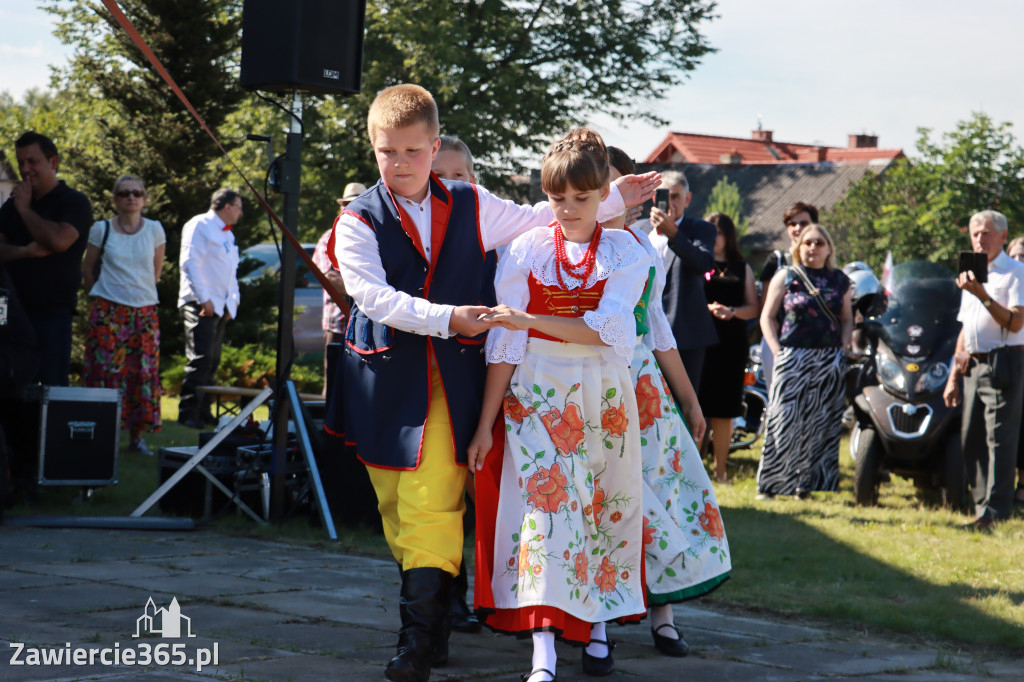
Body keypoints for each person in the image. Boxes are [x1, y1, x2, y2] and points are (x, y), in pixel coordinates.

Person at [326, 84, 659, 682]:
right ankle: (433, 618)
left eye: (412, 150)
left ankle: (418, 644)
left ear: (435, 146)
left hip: (452, 382)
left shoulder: (472, 202)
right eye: (386, 151)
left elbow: (543, 216)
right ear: (372, 148)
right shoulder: (355, 221)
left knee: (432, 501)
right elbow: (371, 297)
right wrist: (448, 317)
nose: (399, 163)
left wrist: (612, 200)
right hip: (384, 378)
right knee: (396, 508)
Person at [468, 129, 650, 682]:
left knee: (600, 506)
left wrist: (528, 321)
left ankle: (595, 626)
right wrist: (483, 425)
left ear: (604, 195)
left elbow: (608, 331)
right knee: (546, 511)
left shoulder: (625, 251)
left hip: (603, 391)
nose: (568, 209)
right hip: (536, 389)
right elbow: (505, 343)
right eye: (557, 198)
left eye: (582, 198)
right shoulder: (525, 249)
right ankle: (542, 651)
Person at [606, 147, 731, 658]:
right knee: (606, 499)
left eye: (626, 185)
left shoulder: (643, 245)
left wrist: (691, 402)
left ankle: (664, 615)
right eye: (611, 186)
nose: (623, 197)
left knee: (665, 491)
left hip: (644, 388)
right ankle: (598, 618)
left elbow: (657, 329)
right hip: (592, 386)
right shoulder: (561, 246)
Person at [430, 135, 487, 635]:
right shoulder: (412, 240)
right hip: (435, 386)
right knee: (441, 497)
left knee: (485, 493)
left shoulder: (497, 232)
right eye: (439, 176)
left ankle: (496, 594)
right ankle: (447, 599)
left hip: (490, 380)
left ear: (473, 180)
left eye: (458, 176)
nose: (449, 185)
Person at [757, 224, 852, 499]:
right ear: (799, 247)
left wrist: (843, 347)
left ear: (829, 248)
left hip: (829, 357)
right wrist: (777, 351)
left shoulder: (840, 280)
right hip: (792, 355)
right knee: (783, 419)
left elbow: (847, 318)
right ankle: (772, 486)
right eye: (808, 242)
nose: (813, 247)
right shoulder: (787, 276)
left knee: (819, 423)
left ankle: (806, 486)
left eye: (819, 243)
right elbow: (767, 317)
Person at [943, 211, 1024, 530]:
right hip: (973, 363)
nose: (980, 239)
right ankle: (982, 507)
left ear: (1003, 237)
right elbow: (966, 328)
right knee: (971, 436)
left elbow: (1016, 322)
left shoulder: (1016, 272)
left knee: (999, 438)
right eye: (976, 233)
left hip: (1003, 361)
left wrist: (982, 295)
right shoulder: (971, 270)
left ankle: (997, 510)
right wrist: (953, 374)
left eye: (987, 233)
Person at [80, 176, 166, 455]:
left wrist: (137, 297)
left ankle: (137, 439)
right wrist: (102, 297)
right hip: (108, 314)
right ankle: (102, 438)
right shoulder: (101, 229)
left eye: (137, 193)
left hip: (144, 314)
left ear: (144, 198)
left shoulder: (154, 229)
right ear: (115, 199)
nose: (131, 197)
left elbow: (155, 273)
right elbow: (88, 268)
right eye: (124, 193)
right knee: (105, 374)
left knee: (142, 375)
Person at [0, 131, 93, 386]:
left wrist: (25, 210)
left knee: (50, 392)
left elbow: (59, 240)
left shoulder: (74, 202)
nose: (25, 169)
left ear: (53, 162)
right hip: (10, 314)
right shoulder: (10, 207)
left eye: (33, 162)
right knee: (11, 389)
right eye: (20, 163)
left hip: (51, 314)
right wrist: (24, 252)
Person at [642, 171, 718, 397]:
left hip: (685, 333)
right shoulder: (639, 228)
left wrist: (673, 233)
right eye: (665, 195)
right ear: (655, 198)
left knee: (682, 402)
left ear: (688, 199)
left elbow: (704, 264)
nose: (670, 202)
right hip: (642, 328)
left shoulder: (701, 229)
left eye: (676, 196)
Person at [177, 188, 243, 429]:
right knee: (200, 358)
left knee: (212, 360)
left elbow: (230, 270)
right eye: (238, 206)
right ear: (226, 207)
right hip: (200, 303)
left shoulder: (227, 234)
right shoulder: (199, 225)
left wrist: (231, 302)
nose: (241, 212)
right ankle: (188, 411)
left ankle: (203, 409)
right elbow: (189, 262)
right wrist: (203, 298)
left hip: (218, 305)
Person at [700, 212, 758, 484]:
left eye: (718, 232)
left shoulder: (741, 267)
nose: (714, 237)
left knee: (724, 411)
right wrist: (707, 308)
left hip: (731, 346)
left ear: (728, 235)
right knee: (697, 408)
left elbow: (753, 308)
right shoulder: (697, 262)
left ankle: (720, 473)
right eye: (709, 231)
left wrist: (732, 311)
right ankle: (694, 471)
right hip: (700, 343)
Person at [757, 202, 818, 388]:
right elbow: (765, 309)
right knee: (779, 397)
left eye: (803, 222)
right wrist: (777, 348)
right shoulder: (777, 260)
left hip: (815, 342)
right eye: (792, 223)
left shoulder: (822, 261)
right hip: (779, 340)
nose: (798, 228)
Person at [313, 182, 365, 389]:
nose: (350, 209)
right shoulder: (328, 238)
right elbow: (331, 280)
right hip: (339, 323)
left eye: (356, 204)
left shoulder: (374, 236)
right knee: (334, 383)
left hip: (366, 326)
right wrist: (371, 289)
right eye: (346, 205)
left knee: (363, 385)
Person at [1009, 236, 1024, 507]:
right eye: (1016, 255)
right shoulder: (999, 281)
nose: (1020, 261)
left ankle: (1022, 486)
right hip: (1002, 360)